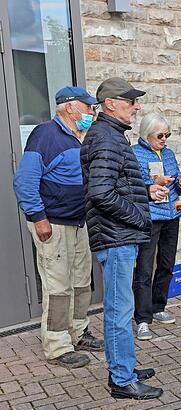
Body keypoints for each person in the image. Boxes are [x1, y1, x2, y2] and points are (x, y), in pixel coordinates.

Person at [82, 77, 165, 400]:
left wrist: (143, 191)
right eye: (130, 101)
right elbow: (101, 193)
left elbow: (111, 184)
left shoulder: (109, 136)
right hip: (116, 236)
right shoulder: (105, 138)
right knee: (119, 309)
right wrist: (137, 214)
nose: (136, 107)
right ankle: (121, 378)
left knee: (120, 305)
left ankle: (124, 365)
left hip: (117, 234)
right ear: (111, 104)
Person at [12, 86, 104, 369]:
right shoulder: (45, 135)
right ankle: (56, 343)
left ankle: (78, 331)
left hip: (78, 222)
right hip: (53, 223)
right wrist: (39, 218)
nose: (92, 112)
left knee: (80, 281)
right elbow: (24, 181)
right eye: (88, 107)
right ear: (69, 107)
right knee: (58, 285)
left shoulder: (80, 137)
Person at [131, 112, 181, 341]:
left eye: (168, 135)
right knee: (145, 268)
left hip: (171, 215)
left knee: (166, 264)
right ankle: (143, 318)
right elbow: (133, 187)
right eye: (160, 135)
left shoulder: (169, 154)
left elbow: (177, 188)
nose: (164, 139)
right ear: (147, 135)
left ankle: (158, 307)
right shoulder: (135, 154)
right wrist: (152, 183)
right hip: (149, 217)